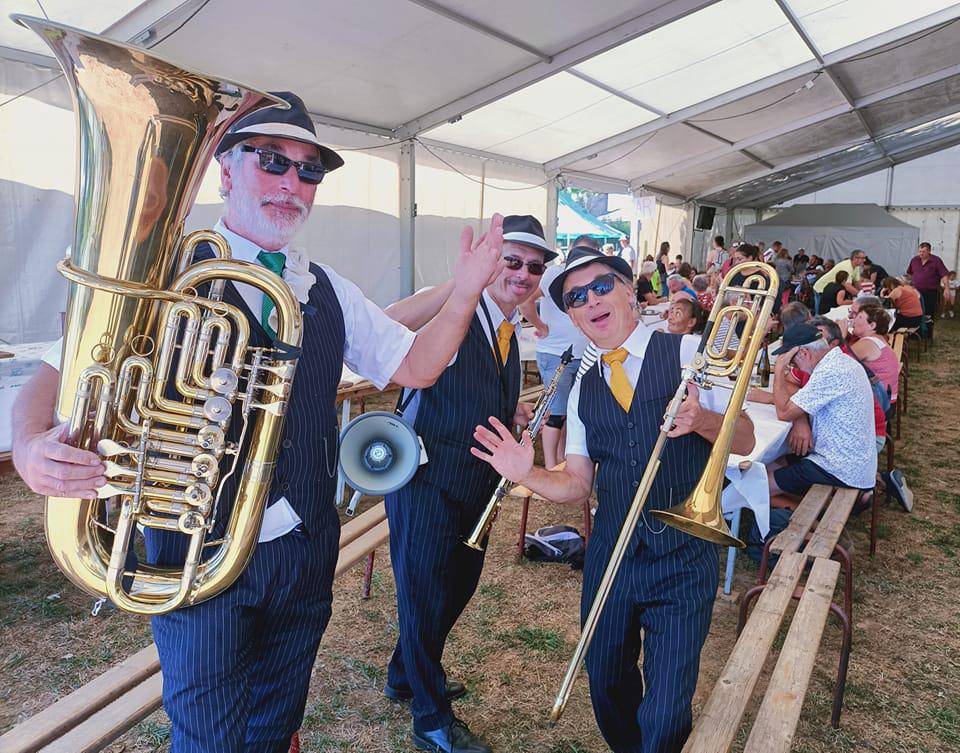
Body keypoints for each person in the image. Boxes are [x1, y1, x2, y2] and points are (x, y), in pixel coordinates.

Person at [11, 93, 507, 753]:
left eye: (308, 171)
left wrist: (467, 289)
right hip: (195, 550)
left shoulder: (324, 284)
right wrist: (27, 445)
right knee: (210, 737)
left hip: (304, 545)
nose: (291, 183)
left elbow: (415, 366)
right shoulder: (162, 273)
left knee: (275, 723)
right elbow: (56, 371)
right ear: (224, 170)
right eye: (272, 161)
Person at [470, 246, 755, 753]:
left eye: (601, 286)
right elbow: (578, 483)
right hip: (611, 554)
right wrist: (528, 472)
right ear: (573, 315)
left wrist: (703, 422)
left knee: (666, 709)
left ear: (629, 290)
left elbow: (748, 439)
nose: (591, 301)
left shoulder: (690, 354)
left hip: (683, 556)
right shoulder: (583, 388)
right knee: (605, 684)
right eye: (576, 298)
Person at [384, 214, 555, 753]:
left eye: (534, 266)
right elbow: (384, 327)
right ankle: (430, 716)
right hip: (427, 479)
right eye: (512, 260)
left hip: (476, 484)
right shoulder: (454, 309)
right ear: (488, 260)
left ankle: (405, 673)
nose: (523, 274)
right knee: (424, 594)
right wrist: (461, 284)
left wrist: (513, 409)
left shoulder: (509, 327)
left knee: (454, 589)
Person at [767, 323, 877, 509]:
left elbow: (784, 412)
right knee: (768, 466)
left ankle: (812, 523)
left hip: (839, 469)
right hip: (851, 462)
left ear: (804, 353)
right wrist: (800, 419)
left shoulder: (830, 372)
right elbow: (797, 403)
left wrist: (779, 370)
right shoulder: (840, 361)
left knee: (758, 486)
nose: (794, 368)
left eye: (792, 363)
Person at [519, 237, 591, 469]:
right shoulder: (553, 275)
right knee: (557, 412)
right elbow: (526, 300)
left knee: (573, 411)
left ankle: (563, 458)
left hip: (584, 354)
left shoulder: (588, 277)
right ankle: (551, 465)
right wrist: (540, 326)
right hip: (556, 353)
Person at [906, 242, 949, 336]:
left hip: (930, 292)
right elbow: (909, 274)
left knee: (928, 313)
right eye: (920, 251)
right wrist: (908, 285)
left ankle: (927, 334)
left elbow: (944, 274)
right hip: (916, 291)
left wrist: (946, 288)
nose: (921, 253)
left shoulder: (936, 261)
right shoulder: (914, 260)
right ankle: (915, 333)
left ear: (929, 251)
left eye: (923, 252)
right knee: (916, 311)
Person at [813, 249, 865, 313]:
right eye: (862, 258)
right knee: (821, 312)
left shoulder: (856, 267)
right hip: (821, 289)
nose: (864, 260)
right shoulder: (847, 267)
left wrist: (863, 292)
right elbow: (847, 285)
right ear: (855, 258)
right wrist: (860, 294)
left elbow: (857, 282)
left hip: (832, 289)